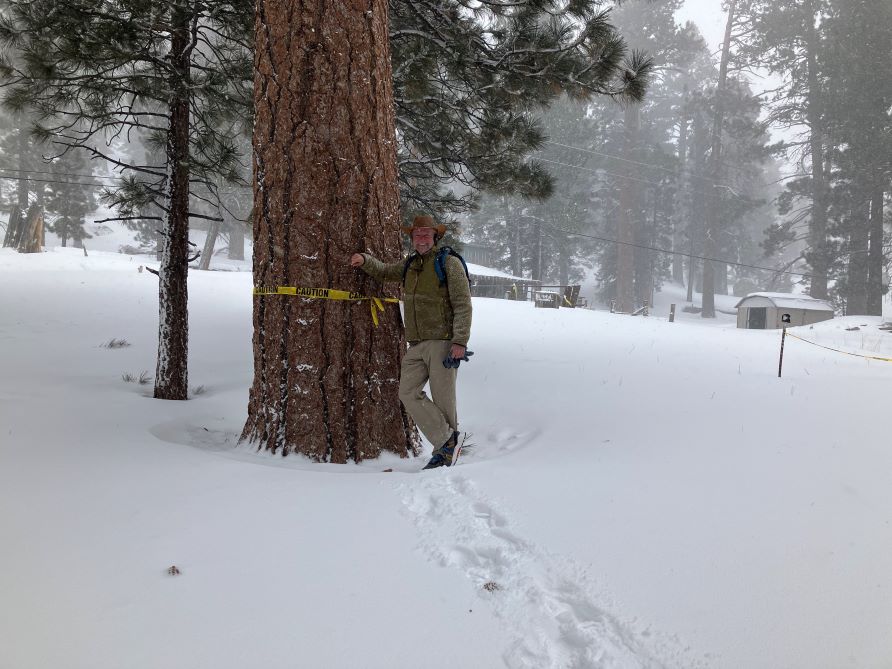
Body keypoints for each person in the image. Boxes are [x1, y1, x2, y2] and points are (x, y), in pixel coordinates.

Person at [349, 214, 472, 469]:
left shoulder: (448, 263)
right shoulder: (410, 265)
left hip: (443, 342)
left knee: (443, 399)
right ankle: (448, 440)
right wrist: (364, 261)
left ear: (435, 237)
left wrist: (459, 341)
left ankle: (444, 452)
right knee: (407, 392)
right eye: (417, 235)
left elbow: (463, 304)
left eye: (427, 234)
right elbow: (384, 272)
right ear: (412, 238)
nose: (422, 238)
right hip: (416, 344)